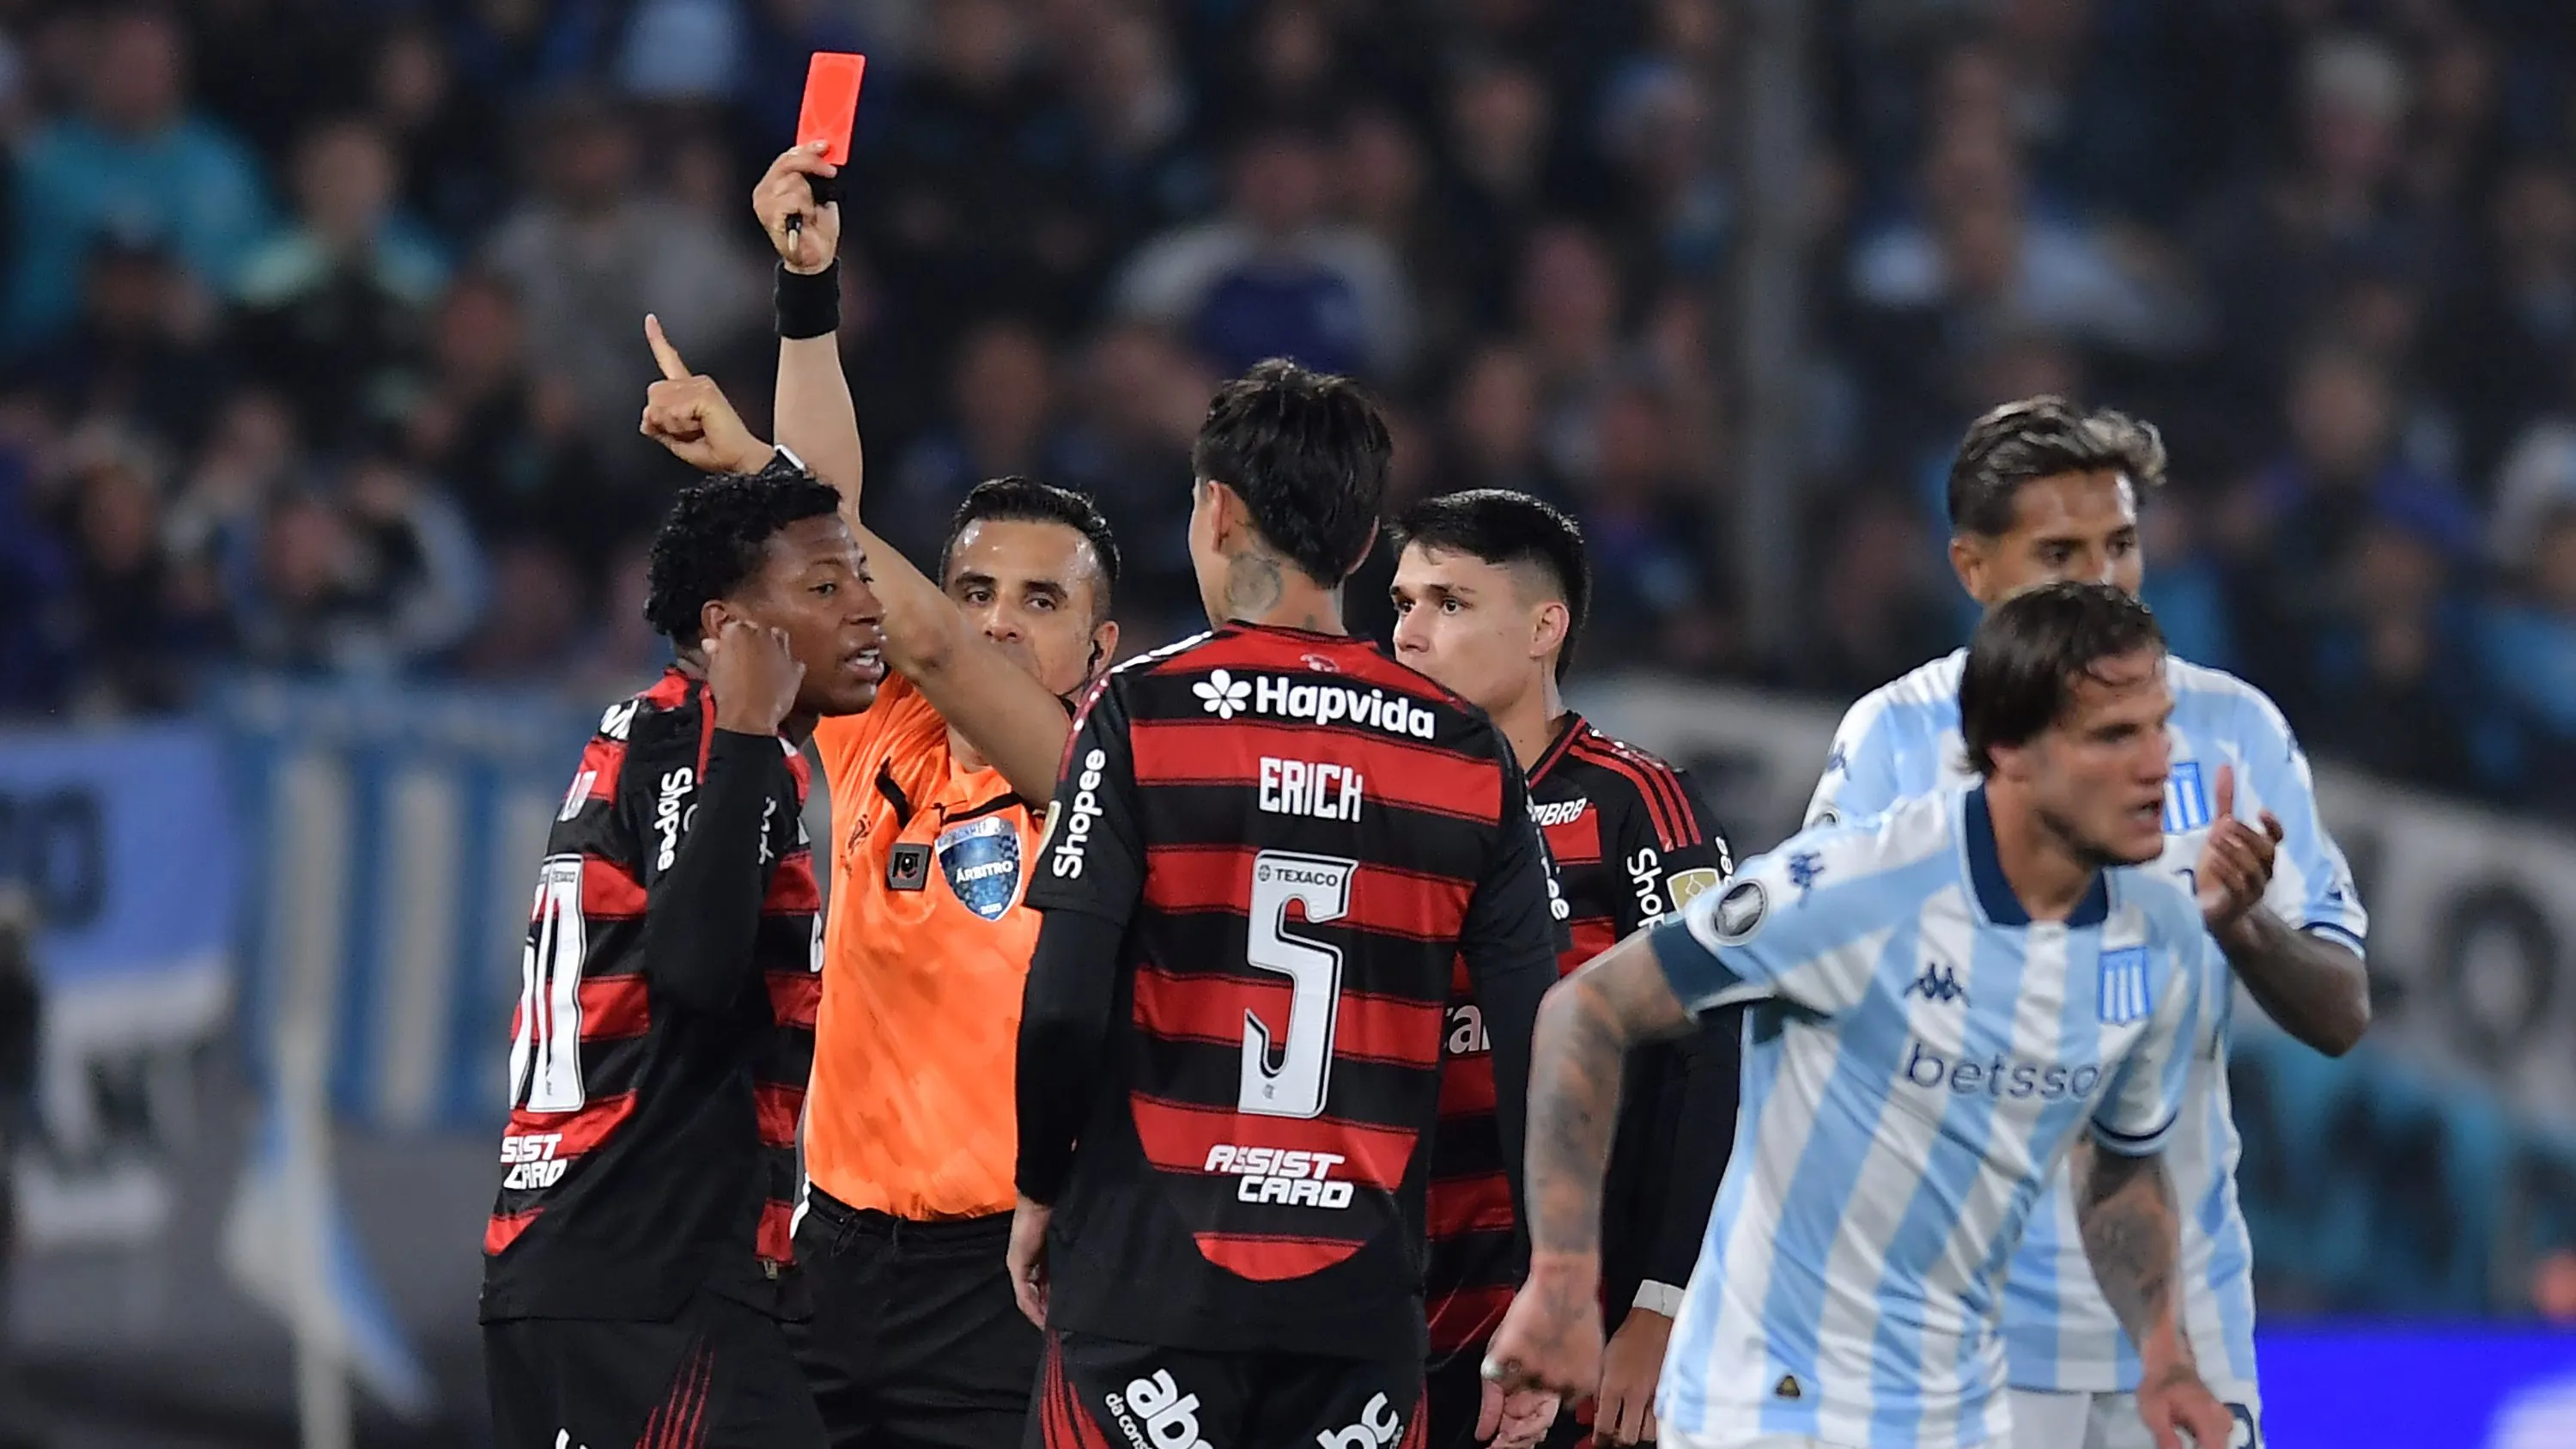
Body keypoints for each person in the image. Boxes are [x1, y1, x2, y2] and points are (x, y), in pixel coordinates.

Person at [1487, 581, 2246, 1449]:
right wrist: (1563, 1280)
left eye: (2160, 724)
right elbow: (1590, 1005)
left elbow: (2119, 1168)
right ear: (2011, 750)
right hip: (1770, 1403)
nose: (2159, 764)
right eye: (2116, 734)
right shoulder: (1850, 889)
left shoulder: (2160, 936)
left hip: (1957, 1409)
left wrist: (2166, 1354)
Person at [630, 143, 1123, 1448]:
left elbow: (895, 605)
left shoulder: (1101, 776)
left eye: (1042, 599)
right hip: (830, 1259)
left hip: (1007, 1280)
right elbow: (826, 533)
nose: (998, 624)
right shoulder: (876, 730)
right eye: (975, 590)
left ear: (1102, 647)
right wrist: (808, 293)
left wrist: (754, 464)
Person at [1009, 359, 1569, 1449]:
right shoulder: (1468, 754)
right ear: (1364, 546)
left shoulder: (1143, 711)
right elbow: (1537, 1047)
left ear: (1216, 510)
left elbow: (1064, 998)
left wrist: (1039, 1184)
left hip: (1148, 1277)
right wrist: (1541, 1277)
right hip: (1355, 1311)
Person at [1806, 399, 2370, 1449]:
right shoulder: (1895, 737)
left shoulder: (2232, 729)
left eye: (2121, 544)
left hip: (2183, 1321)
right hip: (1954, 1331)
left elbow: (2342, 1009)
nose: (2102, 579)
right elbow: (1821, 996)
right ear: (1972, 569)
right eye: (2058, 550)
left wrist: (2248, 930)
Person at [479, 456, 888, 1449]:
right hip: (644, 1274)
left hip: (587, 1265)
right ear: (726, 627)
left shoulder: (653, 733)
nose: (867, 610)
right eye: (825, 588)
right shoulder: (704, 738)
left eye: (863, 577)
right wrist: (750, 733)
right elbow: (697, 967)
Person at [1386, 490, 1738, 1449]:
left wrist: (1659, 1308)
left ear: (1547, 626)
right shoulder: (1373, 800)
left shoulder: (1634, 801)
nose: (1411, 632)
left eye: (1450, 604)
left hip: (1586, 1320)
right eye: (1402, 602)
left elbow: (1713, 1054)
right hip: (1391, 1318)